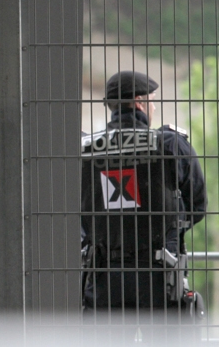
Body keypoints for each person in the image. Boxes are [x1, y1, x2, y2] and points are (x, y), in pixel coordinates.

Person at [81, 71, 207, 335]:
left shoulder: (86, 150)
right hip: (159, 274)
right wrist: (168, 228)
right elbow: (197, 206)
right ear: (139, 102)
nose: (153, 107)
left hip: (105, 274)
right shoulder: (170, 144)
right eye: (151, 101)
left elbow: (74, 212)